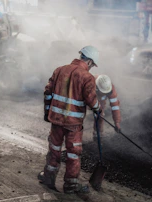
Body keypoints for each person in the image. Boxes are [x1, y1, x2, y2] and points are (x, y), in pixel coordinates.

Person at [38, 45, 102, 194]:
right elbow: (91, 100)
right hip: (73, 124)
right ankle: (70, 186)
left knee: (54, 149)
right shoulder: (87, 77)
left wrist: (47, 113)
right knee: (73, 154)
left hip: (56, 120)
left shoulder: (59, 70)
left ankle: (48, 178)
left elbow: (47, 93)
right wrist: (98, 108)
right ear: (91, 62)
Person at [93, 74, 121, 141]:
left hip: (101, 101)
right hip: (88, 99)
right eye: (103, 92)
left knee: (100, 116)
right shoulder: (90, 84)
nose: (106, 94)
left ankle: (98, 136)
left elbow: (115, 107)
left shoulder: (110, 88)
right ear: (97, 88)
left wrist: (117, 122)